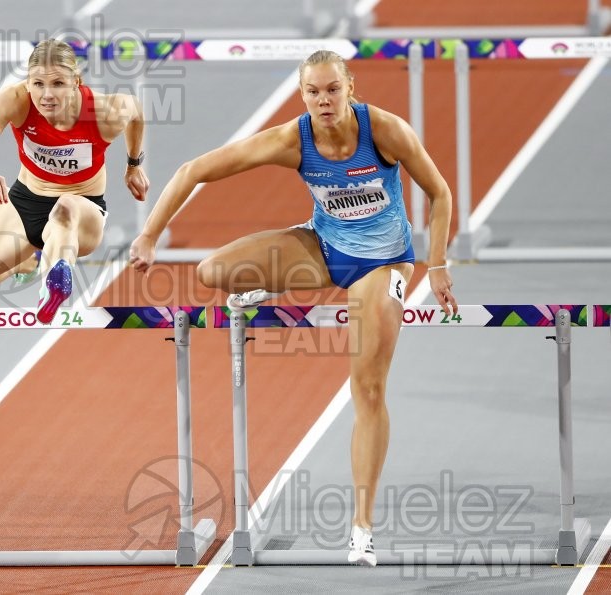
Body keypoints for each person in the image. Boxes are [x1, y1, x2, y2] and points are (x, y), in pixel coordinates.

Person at [129, 50, 458, 566]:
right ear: (302, 95)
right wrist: (149, 234)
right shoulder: (292, 139)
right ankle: (274, 285)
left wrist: (436, 266)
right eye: (312, 92)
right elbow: (195, 170)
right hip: (324, 251)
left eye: (332, 89)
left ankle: (362, 525)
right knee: (213, 272)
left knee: (367, 387)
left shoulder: (385, 131)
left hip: (383, 264)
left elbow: (439, 193)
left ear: (351, 88)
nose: (323, 100)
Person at [0, 39, 149, 323]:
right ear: (27, 83)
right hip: (24, 203)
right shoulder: (15, 101)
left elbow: (137, 113)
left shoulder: (105, 111)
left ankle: (52, 286)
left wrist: (133, 165)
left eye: (58, 84)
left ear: (75, 83)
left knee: (65, 208)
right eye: (38, 84)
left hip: (83, 209)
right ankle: (21, 264)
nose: (47, 95)